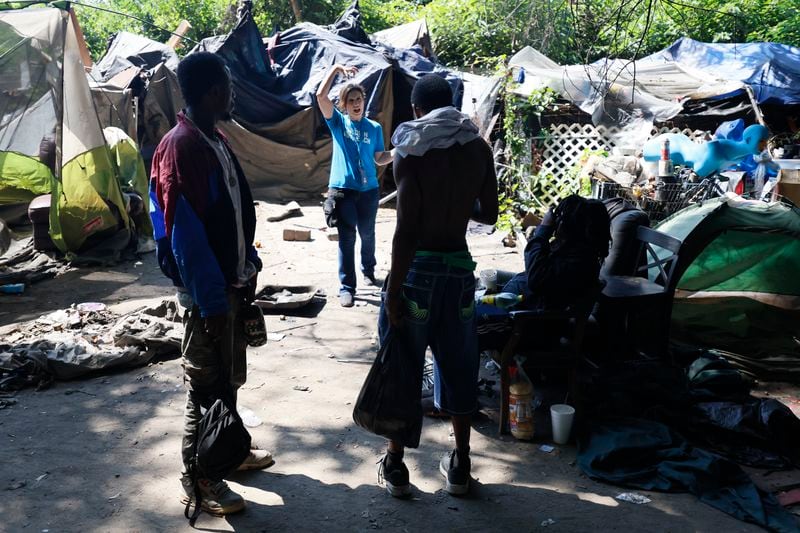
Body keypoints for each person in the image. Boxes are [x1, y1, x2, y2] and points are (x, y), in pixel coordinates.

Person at [149, 52, 273, 516]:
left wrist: (249, 262)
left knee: (228, 380)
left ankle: (228, 452)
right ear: (212, 91)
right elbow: (184, 234)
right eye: (227, 84)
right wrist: (211, 302)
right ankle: (198, 479)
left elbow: (232, 212)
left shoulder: (213, 139)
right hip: (209, 296)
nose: (233, 92)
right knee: (205, 389)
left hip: (229, 286)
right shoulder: (181, 146)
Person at [378, 74, 498, 497]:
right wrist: (458, 201)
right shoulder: (478, 146)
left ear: (415, 110)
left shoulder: (411, 148)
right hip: (459, 275)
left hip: (418, 276)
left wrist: (394, 291)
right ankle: (461, 464)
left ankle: (395, 465)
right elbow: (489, 215)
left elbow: (407, 228)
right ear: (451, 103)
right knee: (459, 365)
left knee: (403, 365)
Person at [477, 195, 611, 350]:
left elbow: (536, 278)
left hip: (522, 324)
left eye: (560, 219)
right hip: (517, 306)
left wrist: (544, 231)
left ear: (570, 227)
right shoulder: (574, 252)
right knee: (466, 305)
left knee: (464, 323)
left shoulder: (579, 262)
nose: (556, 222)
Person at [316, 64, 393, 307]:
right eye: (351, 101)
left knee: (367, 233)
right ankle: (347, 287)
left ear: (363, 101)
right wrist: (336, 69)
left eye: (358, 99)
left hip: (369, 191)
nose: (356, 103)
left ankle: (368, 270)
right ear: (344, 105)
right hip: (343, 191)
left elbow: (379, 158)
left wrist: (399, 152)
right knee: (347, 238)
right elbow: (320, 96)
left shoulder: (374, 128)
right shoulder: (338, 123)